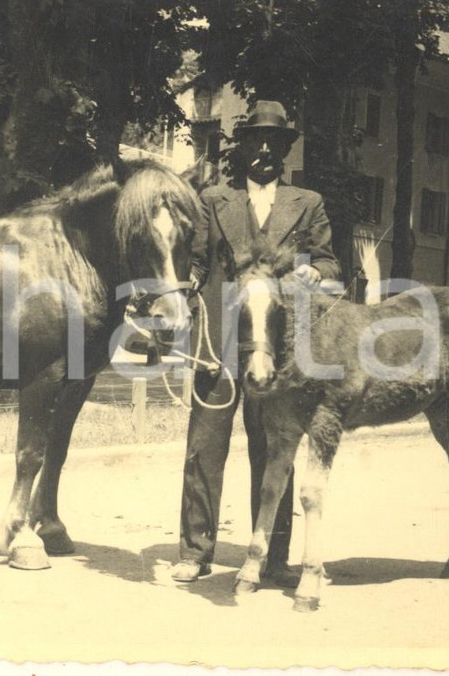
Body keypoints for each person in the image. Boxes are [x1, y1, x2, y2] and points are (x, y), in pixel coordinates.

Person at [173, 100, 342, 584]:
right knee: (204, 446)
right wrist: (185, 286)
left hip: (275, 344)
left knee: (274, 447)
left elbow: (329, 262)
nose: (264, 150)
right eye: (255, 141)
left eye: (274, 142)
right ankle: (195, 551)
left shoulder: (307, 202)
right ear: (242, 147)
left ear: (285, 150)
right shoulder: (214, 200)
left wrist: (314, 271)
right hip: (219, 340)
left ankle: (273, 557)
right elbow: (197, 263)